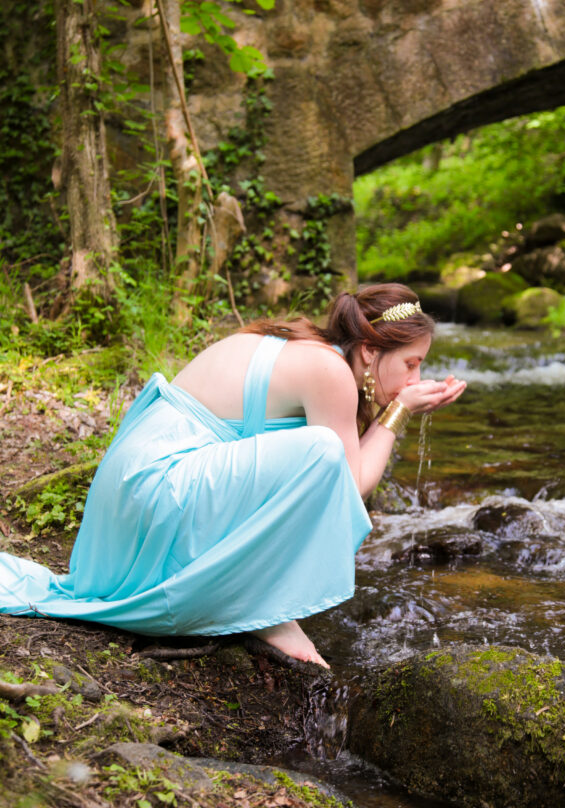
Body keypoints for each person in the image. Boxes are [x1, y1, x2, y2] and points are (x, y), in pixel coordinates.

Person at [0, 284, 466, 667]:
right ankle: (264, 609)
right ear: (369, 350)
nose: (415, 376)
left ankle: (255, 600)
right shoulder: (330, 371)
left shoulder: (307, 346)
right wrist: (399, 410)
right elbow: (349, 483)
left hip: (135, 493)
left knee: (319, 455)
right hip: (159, 488)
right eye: (410, 363)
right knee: (321, 452)